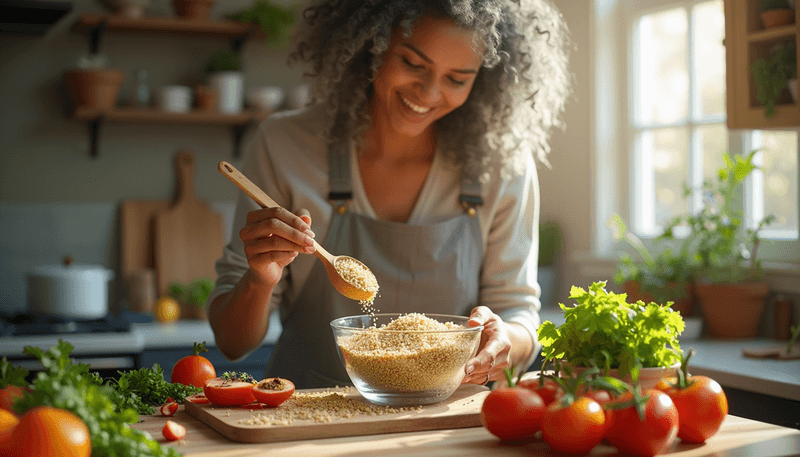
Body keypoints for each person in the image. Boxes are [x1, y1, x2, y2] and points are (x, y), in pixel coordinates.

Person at [207, 0, 572, 389]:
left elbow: (517, 311)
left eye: (458, 79)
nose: (429, 92)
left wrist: (505, 342)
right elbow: (233, 344)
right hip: (310, 420)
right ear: (371, 43)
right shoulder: (285, 146)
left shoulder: (501, 164)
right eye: (413, 64)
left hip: (448, 428)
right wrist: (261, 278)